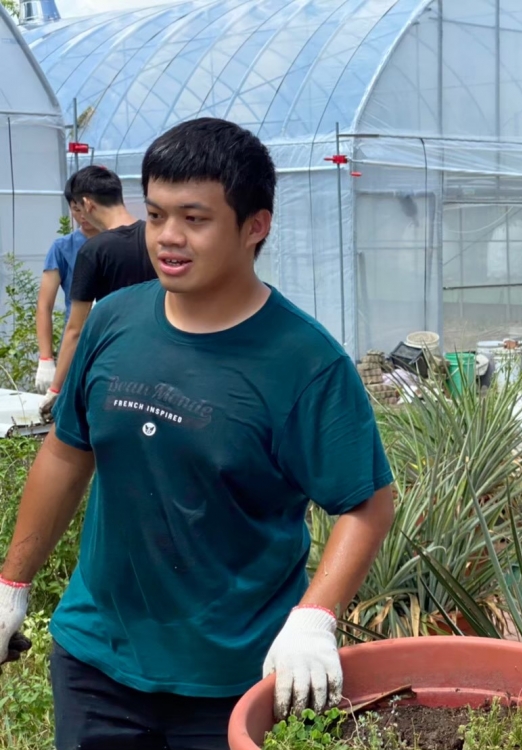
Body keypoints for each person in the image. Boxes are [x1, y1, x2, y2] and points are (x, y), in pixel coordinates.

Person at [0, 117, 396, 749]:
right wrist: (11, 584)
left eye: (194, 218)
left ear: (255, 226)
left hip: (231, 679)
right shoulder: (117, 321)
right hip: (96, 659)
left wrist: (315, 616)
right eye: (155, 216)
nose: (168, 238)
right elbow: (66, 454)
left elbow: (367, 501)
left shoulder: (304, 362)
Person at [38, 165, 157, 419]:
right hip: (161, 359)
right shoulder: (156, 237)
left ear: (88, 204)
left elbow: (76, 330)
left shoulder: (94, 251)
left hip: (118, 366)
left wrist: (57, 387)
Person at [34, 176, 100, 393]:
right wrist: (46, 358)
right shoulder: (63, 248)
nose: (83, 215)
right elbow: (44, 305)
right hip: (76, 340)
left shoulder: (121, 242)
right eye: (75, 209)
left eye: (86, 208)